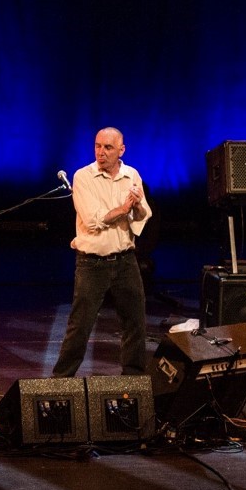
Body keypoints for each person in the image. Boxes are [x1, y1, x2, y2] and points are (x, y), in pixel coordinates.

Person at [51, 127, 151, 377]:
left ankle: (134, 380)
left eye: (108, 147)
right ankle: (61, 381)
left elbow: (142, 216)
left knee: (135, 323)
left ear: (121, 150)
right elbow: (92, 220)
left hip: (125, 261)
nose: (101, 152)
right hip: (92, 264)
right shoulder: (84, 177)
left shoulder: (131, 175)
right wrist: (123, 209)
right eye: (97, 146)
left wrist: (137, 205)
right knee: (80, 326)